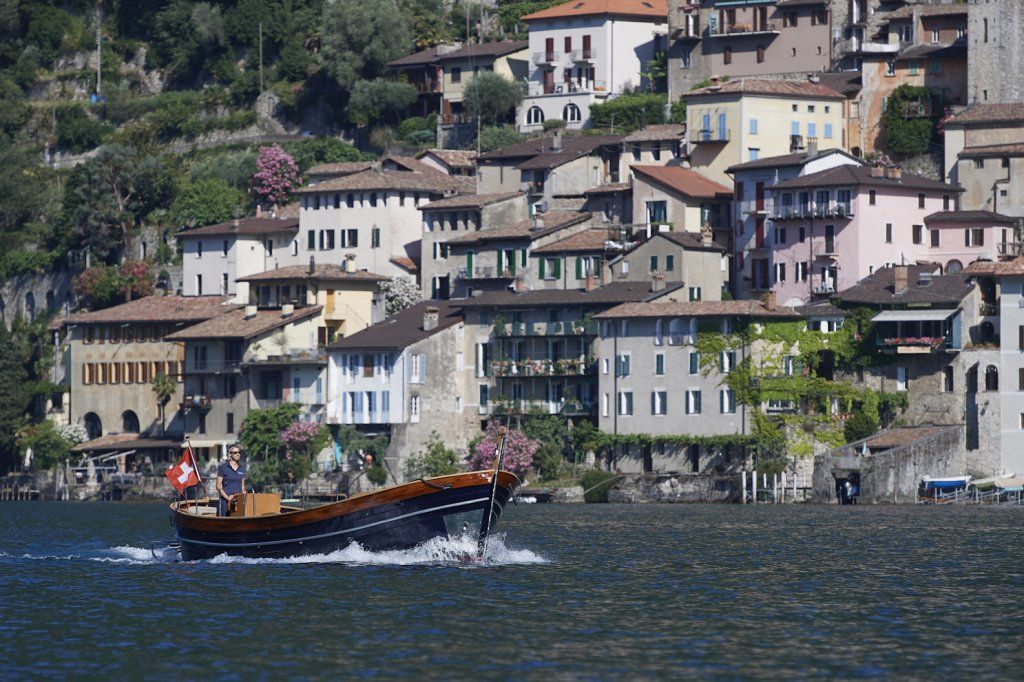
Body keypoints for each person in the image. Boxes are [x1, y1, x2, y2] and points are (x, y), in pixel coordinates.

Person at [216, 445, 246, 517]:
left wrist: (244, 493)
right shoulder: (223, 468)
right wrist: (227, 497)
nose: (238, 454)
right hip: (225, 502)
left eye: (239, 452)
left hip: (238, 501)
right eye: (235, 452)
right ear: (230, 454)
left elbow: (242, 485)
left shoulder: (241, 469)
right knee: (224, 523)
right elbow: (218, 486)